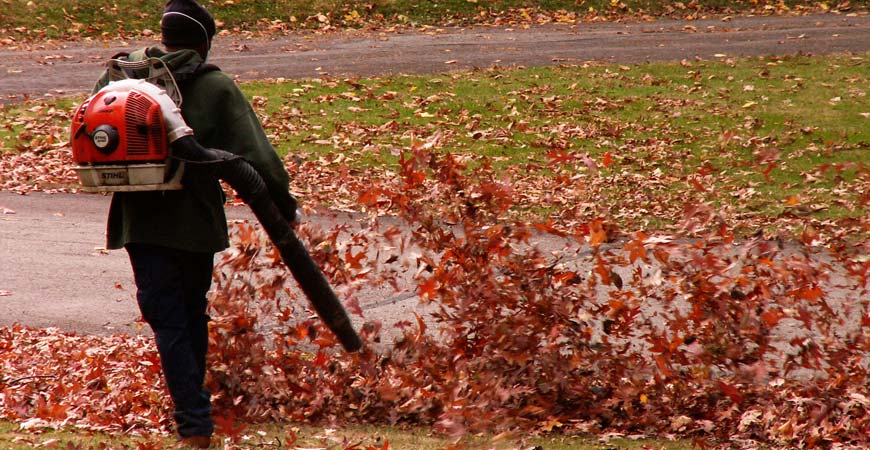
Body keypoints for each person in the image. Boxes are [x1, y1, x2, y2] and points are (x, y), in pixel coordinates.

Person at [92, 0, 297, 447]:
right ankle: (195, 423)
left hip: (138, 220)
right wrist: (285, 207)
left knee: (169, 320)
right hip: (194, 220)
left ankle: (193, 419)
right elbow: (257, 156)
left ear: (164, 38)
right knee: (187, 315)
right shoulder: (214, 85)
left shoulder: (120, 77)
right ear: (203, 43)